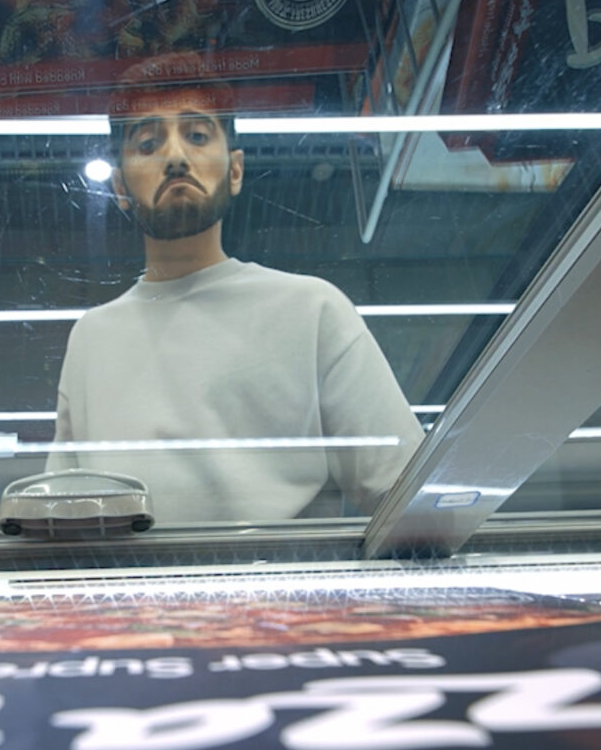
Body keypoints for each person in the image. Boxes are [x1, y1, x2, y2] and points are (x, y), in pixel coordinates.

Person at [49, 55, 424, 523]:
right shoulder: (92, 338)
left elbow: (403, 495)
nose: (175, 157)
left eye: (198, 136)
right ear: (120, 186)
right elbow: (59, 520)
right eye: (147, 143)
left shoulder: (312, 310)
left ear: (235, 170)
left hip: (282, 589)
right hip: (134, 592)